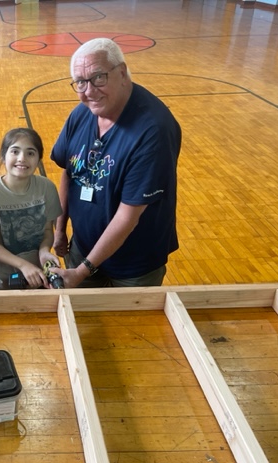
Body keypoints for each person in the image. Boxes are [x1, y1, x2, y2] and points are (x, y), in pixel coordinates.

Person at [50, 38, 181, 288]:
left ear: (122, 73)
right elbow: (69, 172)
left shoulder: (153, 130)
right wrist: (59, 229)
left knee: (131, 327)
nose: (89, 91)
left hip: (133, 267)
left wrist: (82, 271)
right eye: (80, 82)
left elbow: (127, 216)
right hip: (82, 250)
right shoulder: (81, 114)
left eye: (99, 77)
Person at [0, 128, 63, 290]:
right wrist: (23, 265)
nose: (22, 159)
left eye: (30, 153)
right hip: (0, 281)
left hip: (37, 276)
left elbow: (48, 230)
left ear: (38, 158)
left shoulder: (47, 188)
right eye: (15, 151)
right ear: (4, 155)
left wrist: (44, 251)